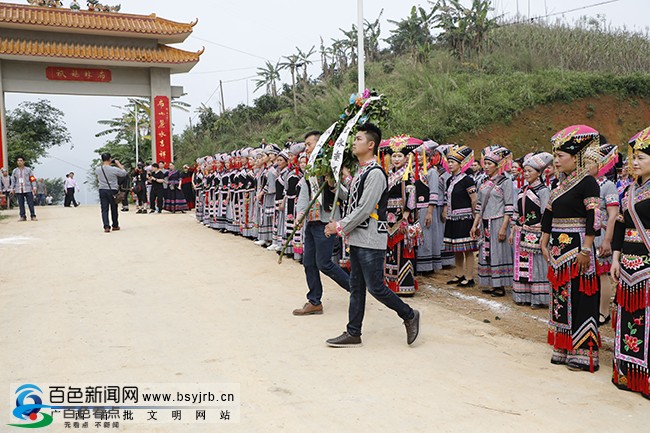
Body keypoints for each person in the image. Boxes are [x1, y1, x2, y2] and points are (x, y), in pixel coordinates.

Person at [324, 123, 420, 347]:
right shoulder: (362, 172)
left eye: (358, 139)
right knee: (356, 286)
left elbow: (365, 209)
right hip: (359, 237)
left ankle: (409, 314)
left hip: (370, 237)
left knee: (375, 287)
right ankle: (353, 332)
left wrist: (338, 227)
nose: (354, 142)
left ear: (370, 144)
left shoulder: (375, 173)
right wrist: (335, 184)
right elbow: (354, 201)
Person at [540, 125, 602, 372]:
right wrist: (544, 241)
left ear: (575, 158)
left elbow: (594, 217)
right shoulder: (558, 186)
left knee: (580, 295)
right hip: (557, 250)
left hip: (578, 248)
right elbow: (549, 214)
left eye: (560, 157)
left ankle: (583, 348)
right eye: (555, 156)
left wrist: (587, 249)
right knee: (560, 296)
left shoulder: (588, 183)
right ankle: (563, 344)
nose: (556, 161)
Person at [292, 130, 351, 316]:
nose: (306, 149)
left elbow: (346, 194)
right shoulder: (309, 169)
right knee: (308, 262)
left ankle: (354, 288)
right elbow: (304, 194)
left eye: (309, 144)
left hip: (326, 221)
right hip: (311, 221)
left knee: (324, 263)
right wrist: (300, 214)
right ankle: (314, 301)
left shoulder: (332, 167)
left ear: (320, 144)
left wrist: (333, 185)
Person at [610, 126, 650, 399]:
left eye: (642, 158)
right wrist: (615, 258)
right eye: (633, 157)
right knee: (627, 316)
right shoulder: (628, 191)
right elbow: (621, 228)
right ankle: (626, 372)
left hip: (647, 261)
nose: (634, 162)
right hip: (627, 262)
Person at [510, 152, 553, 308]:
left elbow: (546, 214)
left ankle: (539, 298)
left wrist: (543, 234)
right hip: (522, 232)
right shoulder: (522, 190)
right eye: (525, 171)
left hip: (536, 232)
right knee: (523, 264)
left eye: (530, 171)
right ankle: (524, 295)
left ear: (539, 173)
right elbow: (516, 211)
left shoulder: (543, 191)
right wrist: (513, 230)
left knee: (537, 264)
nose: (527, 174)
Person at [471, 145, 515, 297]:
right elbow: (478, 205)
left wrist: (504, 227)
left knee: (498, 253)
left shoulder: (506, 182)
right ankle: (491, 282)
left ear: (498, 166)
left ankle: (500, 285)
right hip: (485, 223)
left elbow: (509, 206)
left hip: (498, 221)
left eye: (490, 164)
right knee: (486, 253)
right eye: (486, 163)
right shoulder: (483, 182)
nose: (487, 166)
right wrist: (475, 224)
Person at [379, 135, 421, 295]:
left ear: (406, 158)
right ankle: (389, 283)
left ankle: (404, 285)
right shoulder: (388, 175)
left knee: (403, 248)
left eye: (399, 156)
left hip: (402, 216)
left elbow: (411, 197)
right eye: (394, 156)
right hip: (388, 215)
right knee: (389, 251)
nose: (396, 159)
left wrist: (405, 216)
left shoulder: (408, 175)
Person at [585, 144, 620, 326]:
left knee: (602, 274)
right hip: (587, 234)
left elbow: (613, 215)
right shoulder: (584, 184)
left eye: (590, 162)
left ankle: (603, 311)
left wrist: (607, 240)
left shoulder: (608, 186)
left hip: (601, 235)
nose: (586, 166)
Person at [443, 145, 479, 288]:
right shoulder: (449, 180)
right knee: (456, 248)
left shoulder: (467, 180)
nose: (450, 164)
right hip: (453, 218)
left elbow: (474, 199)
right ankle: (459, 274)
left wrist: (474, 218)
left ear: (460, 164)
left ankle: (470, 277)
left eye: (453, 162)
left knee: (467, 249)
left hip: (465, 218)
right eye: (449, 162)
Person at [95, 153, 127, 232]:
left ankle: (106, 226)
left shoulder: (98, 169)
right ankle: (115, 225)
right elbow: (124, 173)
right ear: (110, 159)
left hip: (102, 190)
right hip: (112, 190)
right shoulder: (113, 169)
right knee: (113, 208)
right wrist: (118, 164)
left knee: (104, 209)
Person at [10, 156, 38, 221]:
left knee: (30, 203)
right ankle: (22, 216)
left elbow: (32, 178)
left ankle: (33, 215)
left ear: (23, 162)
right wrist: (12, 189)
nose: (19, 162)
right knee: (21, 204)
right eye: (18, 161)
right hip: (18, 189)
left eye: (21, 160)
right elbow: (13, 180)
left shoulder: (28, 170)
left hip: (27, 188)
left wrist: (34, 187)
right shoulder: (15, 171)